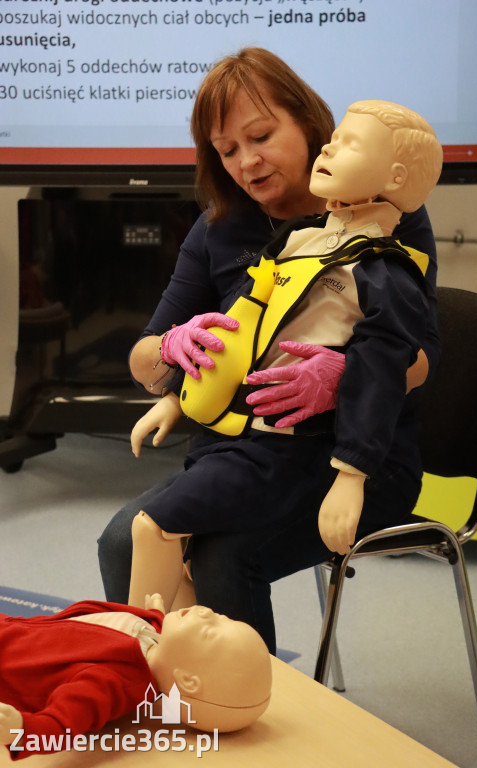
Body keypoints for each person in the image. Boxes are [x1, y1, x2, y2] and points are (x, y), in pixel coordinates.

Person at [98, 48, 441, 653]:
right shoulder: (218, 228)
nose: (247, 162)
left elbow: (419, 359)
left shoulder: (385, 217)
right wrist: (175, 352)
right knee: (123, 540)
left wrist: (347, 375)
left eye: (260, 136)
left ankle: (248, 717)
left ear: (309, 125)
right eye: (227, 151)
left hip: (351, 461)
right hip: (243, 450)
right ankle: (164, 688)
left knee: (222, 555)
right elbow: (144, 359)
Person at [0, 596, 272, 759]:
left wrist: (21, 731)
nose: (208, 613)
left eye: (209, 632)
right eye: (224, 617)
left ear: (188, 681)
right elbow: (147, 627)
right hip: (14, 628)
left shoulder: (113, 681)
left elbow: (63, 725)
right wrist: (156, 610)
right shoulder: (156, 633)